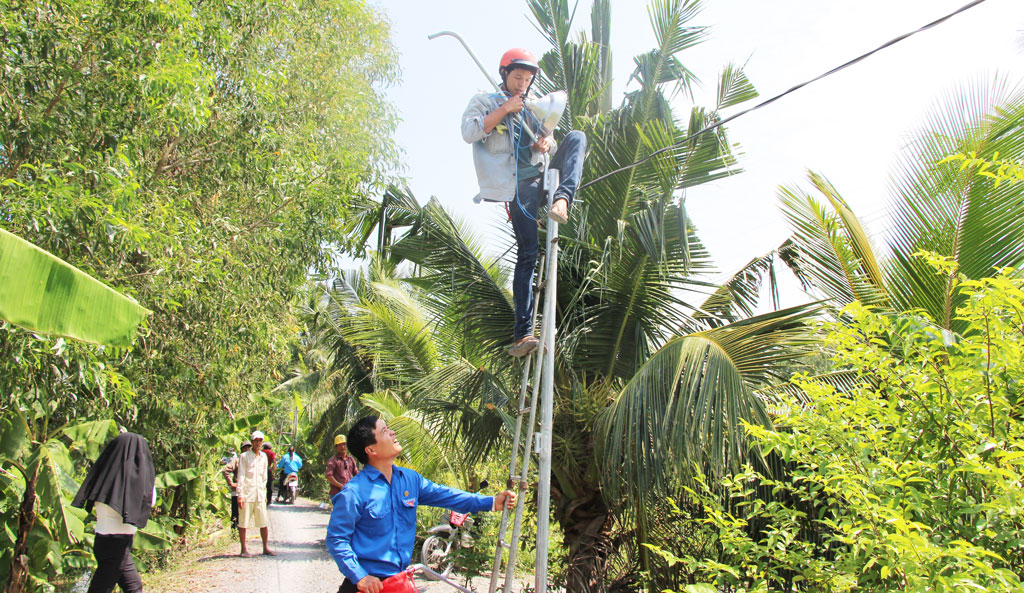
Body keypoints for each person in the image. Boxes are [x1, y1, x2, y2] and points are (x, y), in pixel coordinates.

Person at [462, 47, 587, 357]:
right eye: (517, 77)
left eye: (527, 79)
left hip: (542, 181)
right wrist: (505, 109)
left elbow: (550, 137)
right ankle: (522, 335)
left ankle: (563, 201)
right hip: (515, 188)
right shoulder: (486, 101)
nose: (522, 85)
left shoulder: (534, 105)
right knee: (528, 253)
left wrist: (547, 141)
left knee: (577, 138)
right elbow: (470, 132)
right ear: (505, 74)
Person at [326, 416, 516, 593]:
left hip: (398, 582)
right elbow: (336, 539)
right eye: (384, 431)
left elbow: (446, 495)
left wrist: (491, 502)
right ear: (371, 450)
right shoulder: (354, 492)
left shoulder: (410, 479)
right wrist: (360, 576)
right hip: (366, 586)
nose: (392, 432)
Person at [71, 432, 156, 593]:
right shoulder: (136, 484)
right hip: (117, 542)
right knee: (102, 589)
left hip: (106, 541)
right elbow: (149, 501)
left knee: (134, 587)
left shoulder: (104, 479)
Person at [237, 431, 275, 557]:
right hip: (247, 493)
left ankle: (265, 547)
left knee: (263, 522)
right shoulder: (244, 456)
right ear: (252, 442)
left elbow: (264, 477)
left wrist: (264, 494)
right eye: (256, 440)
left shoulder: (263, 457)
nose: (258, 443)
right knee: (243, 522)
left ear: (262, 442)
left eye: (260, 440)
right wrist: (240, 494)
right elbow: (241, 475)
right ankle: (244, 549)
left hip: (259, 494)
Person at [222, 442, 252, 529]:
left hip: (248, 490)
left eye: (249, 448)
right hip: (238, 490)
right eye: (245, 448)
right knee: (235, 513)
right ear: (242, 449)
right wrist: (231, 483)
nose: (247, 450)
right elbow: (225, 470)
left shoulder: (253, 460)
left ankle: (242, 530)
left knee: (246, 512)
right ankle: (234, 532)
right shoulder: (237, 461)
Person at [325, 434, 359, 499]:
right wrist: (340, 485)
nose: (342, 447)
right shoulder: (333, 460)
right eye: (340, 445)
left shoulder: (350, 459)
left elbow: (356, 474)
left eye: (344, 444)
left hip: (349, 492)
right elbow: (328, 476)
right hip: (337, 493)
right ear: (336, 447)